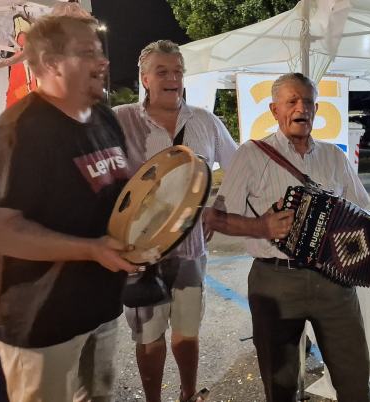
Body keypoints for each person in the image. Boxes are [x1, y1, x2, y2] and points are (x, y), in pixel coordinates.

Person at [204, 73, 370, 402]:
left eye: (308, 101)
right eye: (292, 101)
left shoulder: (334, 156)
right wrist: (261, 227)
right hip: (275, 280)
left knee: (354, 381)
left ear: (316, 108)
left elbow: (364, 216)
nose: (301, 108)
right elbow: (216, 218)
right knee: (281, 386)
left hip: (335, 283)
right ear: (274, 109)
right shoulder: (251, 155)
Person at [0, 14, 138, 402]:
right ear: (49, 64)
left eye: (100, 52)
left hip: (97, 307)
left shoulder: (103, 118)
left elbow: (119, 194)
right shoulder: (19, 132)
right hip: (37, 318)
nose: (103, 62)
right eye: (87, 53)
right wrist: (91, 249)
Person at [112, 39, 237, 402]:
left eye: (177, 71)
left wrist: (222, 207)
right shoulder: (121, 120)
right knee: (148, 338)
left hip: (191, 249)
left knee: (186, 333)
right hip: (140, 253)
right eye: (162, 71)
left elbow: (239, 166)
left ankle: (188, 394)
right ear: (145, 78)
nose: (172, 78)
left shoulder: (206, 121)